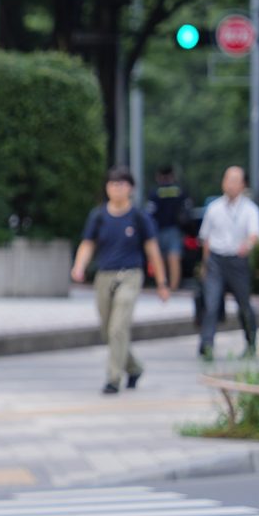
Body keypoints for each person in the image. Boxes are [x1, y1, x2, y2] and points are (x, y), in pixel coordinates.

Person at [71, 166, 171, 394]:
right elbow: (88, 243)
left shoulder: (138, 217)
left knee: (118, 328)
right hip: (104, 276)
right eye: (113, 184)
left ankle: (113, 378)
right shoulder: (98, 216)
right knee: (108, 331)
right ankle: (134, 368)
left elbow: (153, 250)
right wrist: (79, 266)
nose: (117, 189)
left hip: (130, 275)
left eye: (122, 184)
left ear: (131, 189)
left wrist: (162, 283)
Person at [198, 166, 259, 360]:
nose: (230, 184)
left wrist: (248, 245)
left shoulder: (250, 209)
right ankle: (206, 345)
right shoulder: (214, 207)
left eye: (235, 180)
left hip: (237, 260)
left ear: (243, 185)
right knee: (211, 303)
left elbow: (255, 234)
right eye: (228, 179)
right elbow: (206, 238)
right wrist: (204, 264)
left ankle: (251, 342)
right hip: (216, 260)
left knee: (244, 305)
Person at [147, 164, 190, 290]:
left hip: (158, 229)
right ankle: (174, 287)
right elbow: (187, 210)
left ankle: (162, 285)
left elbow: (149, 213)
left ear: (158, 176)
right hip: (175, 229)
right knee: (174, 258)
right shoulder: (179, 190)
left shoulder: (155, 192)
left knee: (159, 258)